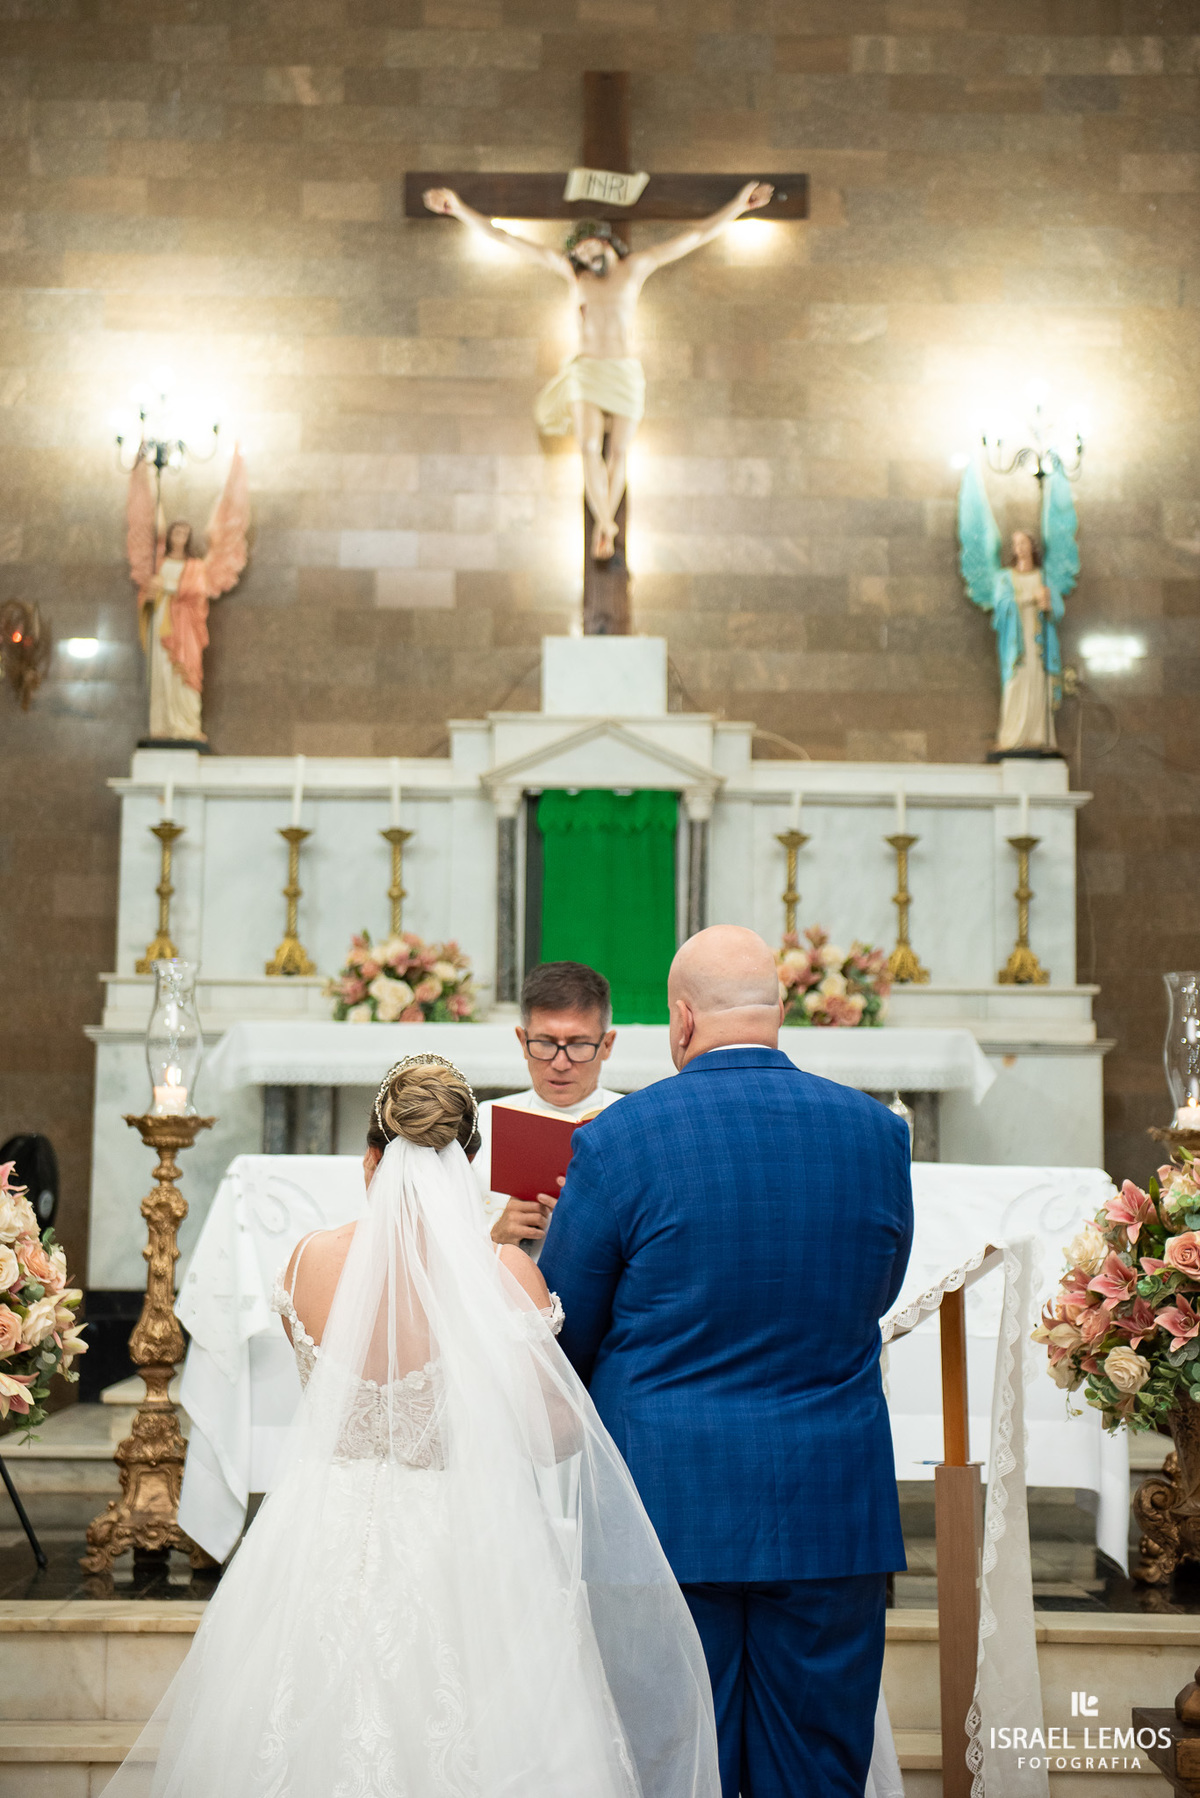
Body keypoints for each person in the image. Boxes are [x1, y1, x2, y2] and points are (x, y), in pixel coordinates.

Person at [103, 1053, 719, 1798]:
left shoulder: (308, 1261)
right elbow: (554, 1438)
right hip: (466, 1537)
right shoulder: (504, 1276)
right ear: (468, 1164)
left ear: (373, 1158)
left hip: (319, 1532)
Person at [540, 927, 913, 1798]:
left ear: (680, 1021)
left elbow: (566, 1327)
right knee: (818, 1769)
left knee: (669, 1766)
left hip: (665, 1506)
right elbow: (877, 1293)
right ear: (779, 1013)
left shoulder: (620, 1138)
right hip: (829, 1505)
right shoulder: (875, 1134)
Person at [422, 183, 774, 560]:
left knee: (620, 452)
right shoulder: (575, 276)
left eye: (593, 248)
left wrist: (738, 204)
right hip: (587, 370)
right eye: (581, 254)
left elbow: (696, 235)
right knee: (589, 448)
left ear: (608, 243)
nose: (588, 257)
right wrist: (458, 208)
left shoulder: (635, 268)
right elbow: (505, 238)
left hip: (623, 372)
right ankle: (606, 525)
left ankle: (606, 523)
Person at [475, 960, 623, 1257]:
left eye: (579, 1044)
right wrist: (495, 1236)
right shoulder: (481, 1123)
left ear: (607, 1045)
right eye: (544, 1043)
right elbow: (441, 1241)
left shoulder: (634, 1121)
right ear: (522, 1039)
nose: (560, 1062)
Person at [126, 446, 250, 743]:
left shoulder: (195, 567)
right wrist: (151, 594)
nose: (179, 536)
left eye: (184, 533)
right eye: (175, 532)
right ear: (169, 535)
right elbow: (147, 592)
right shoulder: (160, 563)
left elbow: (197, 591)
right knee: (161, 676)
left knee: (187, 674)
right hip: (162, 624)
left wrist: (168, 588)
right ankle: (162, 725)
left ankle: (185, 726)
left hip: (185, 629)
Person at [958, 456, 1079, 754]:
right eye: (1016, 545)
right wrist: (1025, 601)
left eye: (1024, 544)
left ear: (1031, 547)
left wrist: (1048, 603)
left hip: (1039, 642)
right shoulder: (1004, 578)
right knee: (1015, 685)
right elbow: (1000, 609)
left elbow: (1058, 610)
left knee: (1038, 686)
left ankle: (1041, 736)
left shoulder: (1044, 576)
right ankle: (1012, 736)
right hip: (1016, 643)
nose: (1020, 548)